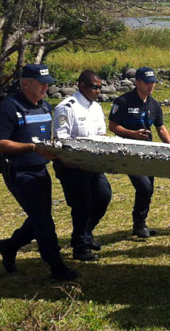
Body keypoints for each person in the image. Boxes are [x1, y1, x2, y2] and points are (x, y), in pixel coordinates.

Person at [0, 64, 77, 281]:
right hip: (19, 172)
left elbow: (45, 140)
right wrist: (31, 148)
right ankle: (56, 266)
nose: (46, 87)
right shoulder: (8, 108)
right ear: (26, 83)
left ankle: (9, 246)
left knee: (39, 218)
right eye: (41, 83)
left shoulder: (45, 107)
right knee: (44, 220)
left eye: (48, 83)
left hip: (40, 170)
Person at [53, 70, 112, 261]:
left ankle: (85, 234)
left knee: (103, 196)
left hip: (93, 164)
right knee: (82, 205)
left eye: (100, 87)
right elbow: (62, 140)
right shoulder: (67, 108)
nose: (98, 91)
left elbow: (100, 135)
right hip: (73, 165)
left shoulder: (95, 107)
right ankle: (80, 247)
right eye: (95, 87)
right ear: (82, 86)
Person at [109, 67, 170, 238]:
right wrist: (132, 134)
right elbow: (113, 126)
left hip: (148, 152)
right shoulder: (123, 102)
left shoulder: (154, 104)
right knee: (143, 186)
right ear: (137, 82)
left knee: (149, 188)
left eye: (153, 82)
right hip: (128, 152)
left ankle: (140, 223)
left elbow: (161, 128)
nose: (151, 86)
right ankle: (139, 223)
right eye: (147, 82)